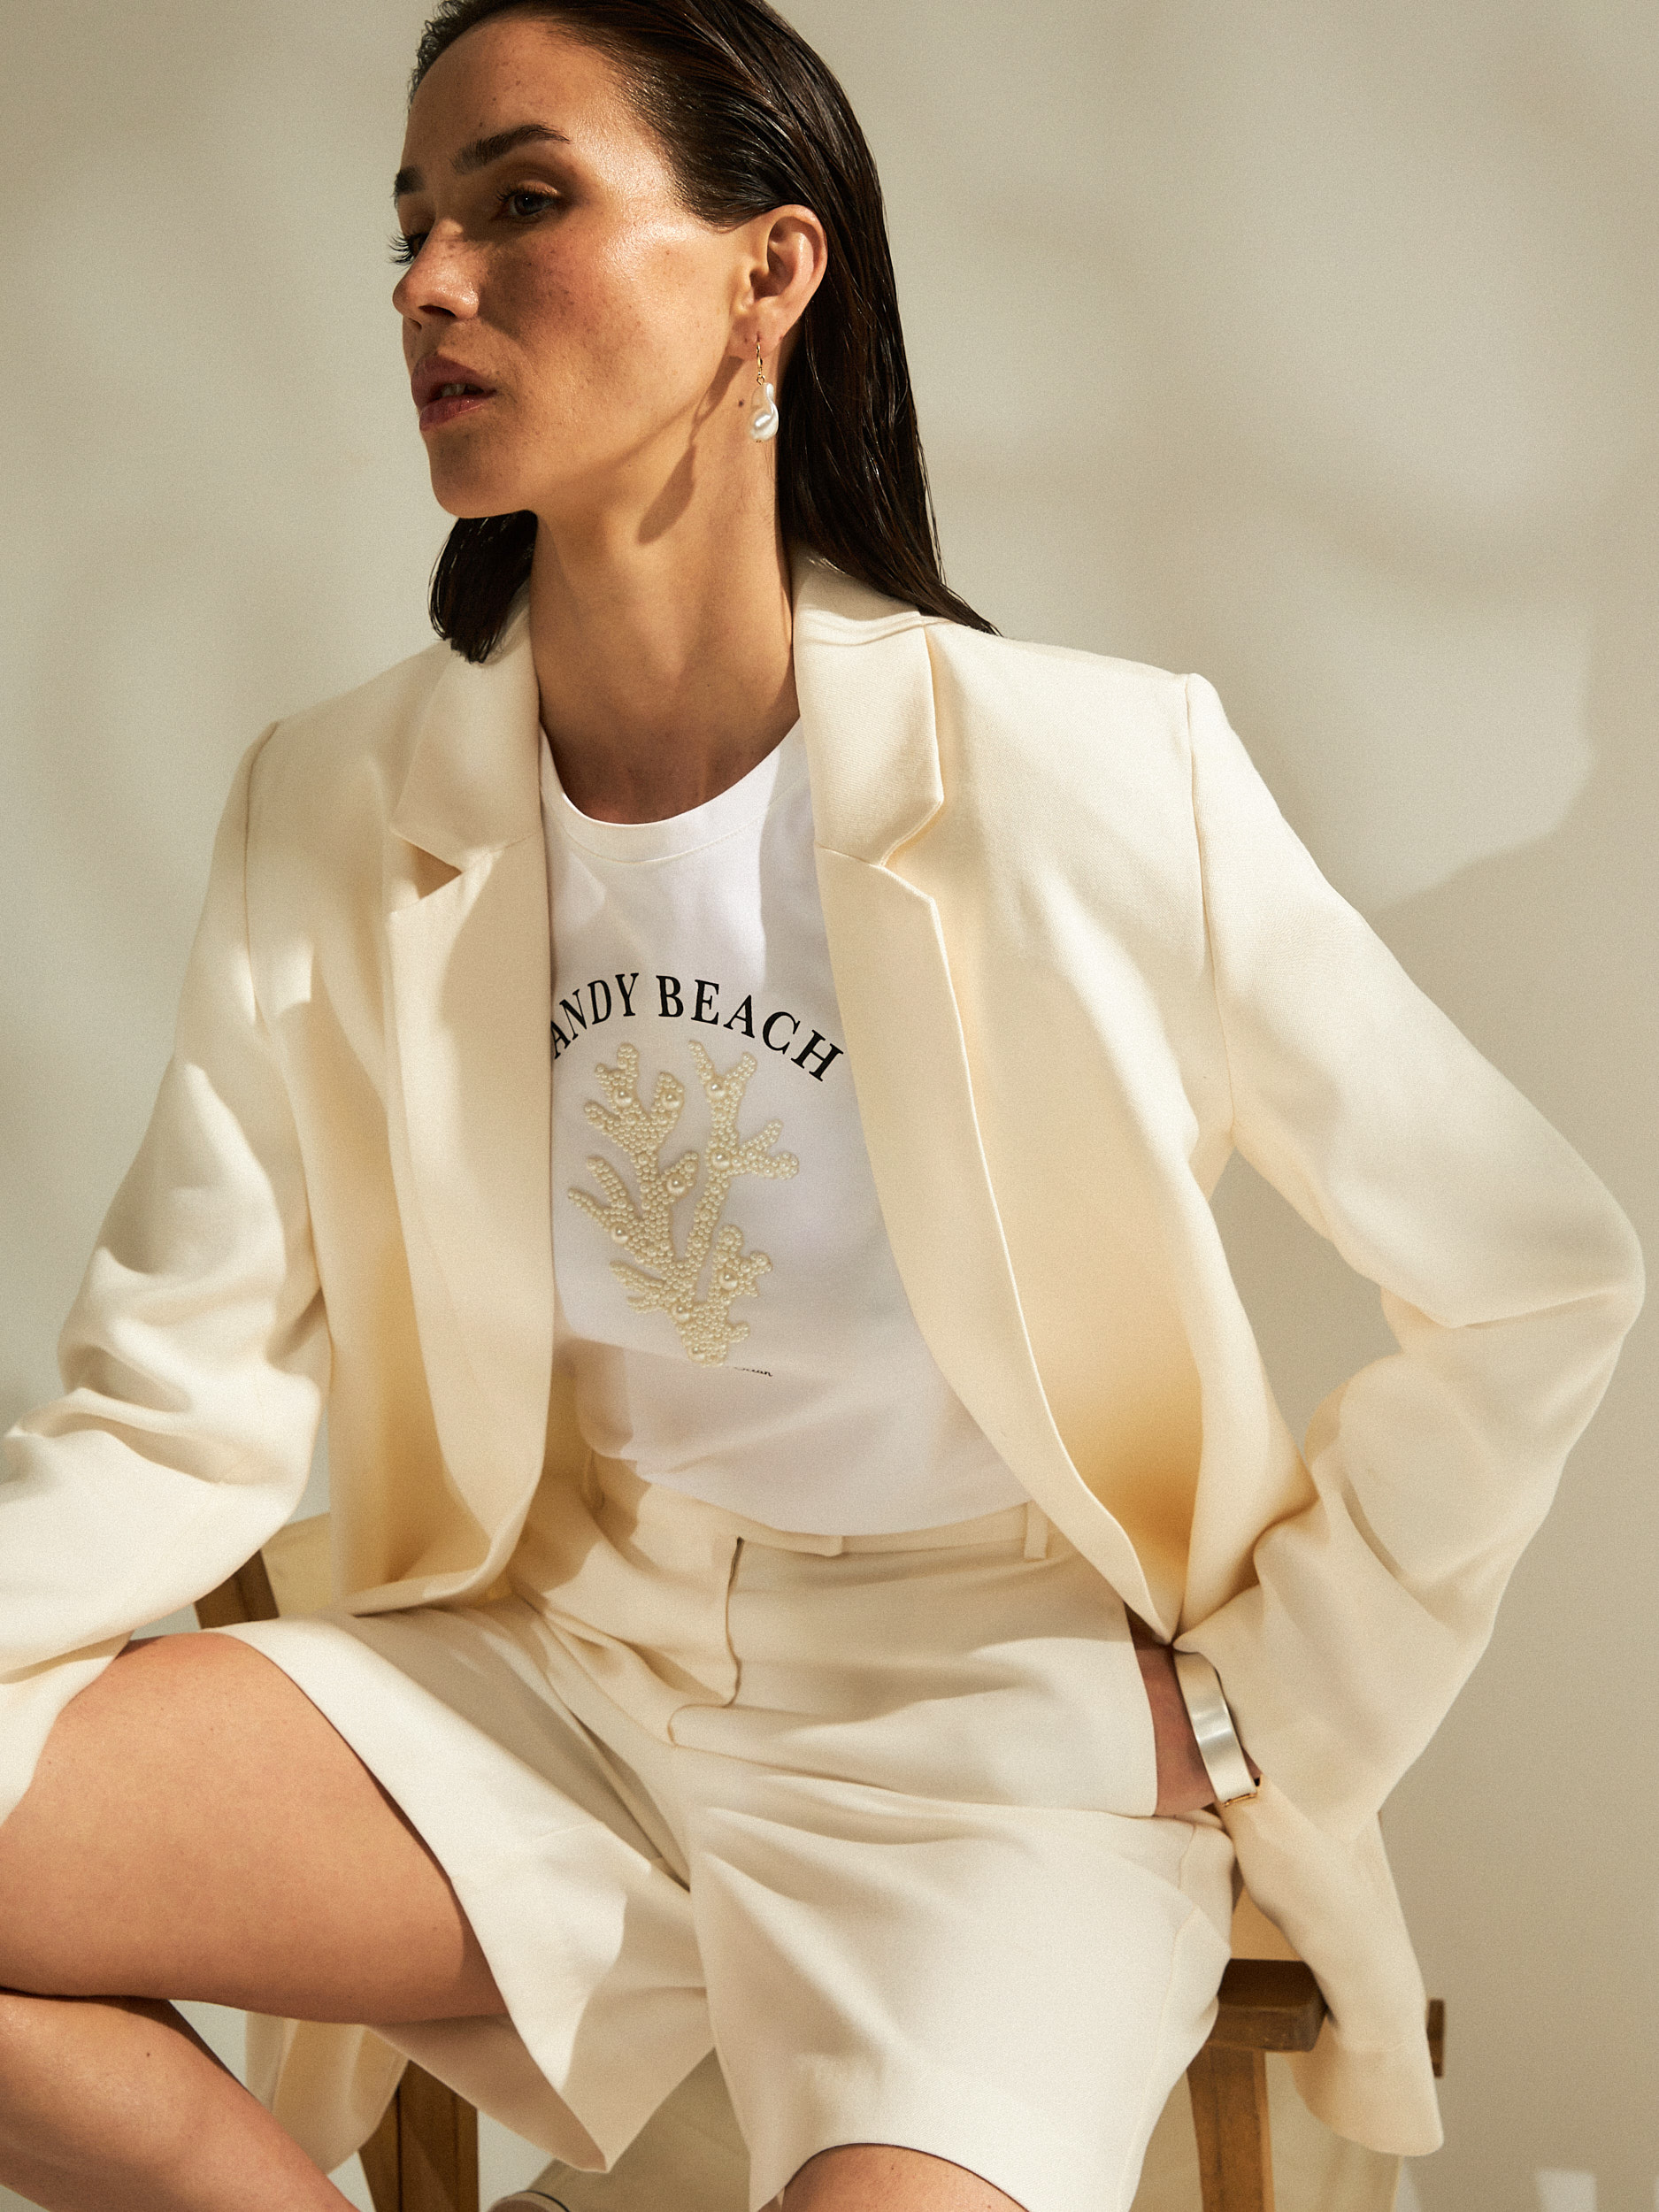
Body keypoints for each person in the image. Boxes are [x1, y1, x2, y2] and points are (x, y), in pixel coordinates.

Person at [0, 2, 1641, 2208]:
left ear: (767, 273)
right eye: (408, 228)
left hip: (989, 1748)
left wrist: (1262, 1705)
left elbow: (1535, 1270)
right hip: (549, 1679)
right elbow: (166, 1403)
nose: (429, 282)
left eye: (522, 201)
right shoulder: (333, 803)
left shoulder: (1083, 776)